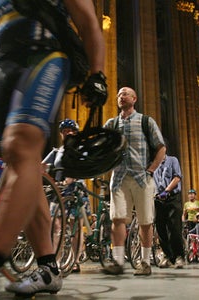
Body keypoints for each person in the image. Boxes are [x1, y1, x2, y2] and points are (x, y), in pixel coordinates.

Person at [0, 1, 106, 298]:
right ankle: (49, 267)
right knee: (21, 163)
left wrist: (98, 75)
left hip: (45, 56)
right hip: (5, 68)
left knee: (20, 145)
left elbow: (88, 21)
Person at [102, 87, 166, 276]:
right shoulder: (112, 124)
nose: (121, 96)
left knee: (146, 221)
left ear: (134, 98)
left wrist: (151, 170)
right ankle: (118, 261)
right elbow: (103, 147)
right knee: (117, 218)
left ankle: (145, 262)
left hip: (142, 178)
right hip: (119, 177)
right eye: (119, 94)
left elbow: (161, 148)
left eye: (125, 94)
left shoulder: (146, 121)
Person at [43, 118, 91, 273]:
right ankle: (55, 260)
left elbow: (85, 166)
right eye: (64, 131)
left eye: (71, 131)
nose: (68, 133)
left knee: (75, 227)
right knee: (55, 225)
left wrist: (72, 177)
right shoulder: (57, 152)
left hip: (76, 190)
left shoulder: (81, 149)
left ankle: (75, 261)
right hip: (58, 190)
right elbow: (42, 167)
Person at [153, 154, 185, 269]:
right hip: (158, 199)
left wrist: (167, 190)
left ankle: (179, 256)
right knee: (160, 228)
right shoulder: (154, 164)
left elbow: (177, 177)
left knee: (174, 228)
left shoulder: (172, 160)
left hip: (172, 197)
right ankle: (167, 256)